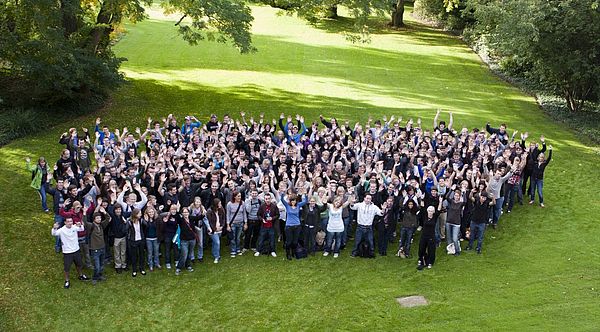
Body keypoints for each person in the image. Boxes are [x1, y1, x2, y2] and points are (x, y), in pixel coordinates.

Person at [51, 217, 89, 288]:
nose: (70, 223)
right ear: (65, 222)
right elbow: (54, 234)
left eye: (71, 221)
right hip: (67, 252)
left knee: (79, 265)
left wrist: (80, 225)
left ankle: (81, 275)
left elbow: (82, 229)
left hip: (76, 250)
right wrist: (54, 228)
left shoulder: (74, 227)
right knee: (67, 268)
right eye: (68, 221)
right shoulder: (62, 230)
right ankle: (67, 280)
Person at [84, 205, 111, 284]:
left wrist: (104, 212)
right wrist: (85, 213)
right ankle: (95, 277)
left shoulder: (101, 225)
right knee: (97, 266)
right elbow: (85, 222)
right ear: (94, 219)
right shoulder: (91, 226)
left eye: (100, 218)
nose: (99, 219)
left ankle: (100, 275)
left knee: (102, 265)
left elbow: (108, 219)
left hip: (102, 248)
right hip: (94, 249)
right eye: (97, 218)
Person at [280, 190, 309, 260]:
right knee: (289, 241)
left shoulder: (298, 205)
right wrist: (283, 193)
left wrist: (305, 194)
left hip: (297, 226)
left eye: (294, 200)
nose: (293, 202)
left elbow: (305, 201)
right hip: (289, 226)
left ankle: (293, 252)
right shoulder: (287, 205)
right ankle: (288, 254)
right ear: (290, 201)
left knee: (295, 241)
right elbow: (282, 199)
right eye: (292, 201)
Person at [417, 197, 443, 270]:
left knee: (431, 250)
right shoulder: (425, 216)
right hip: (424, 235)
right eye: (429, 210)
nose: (430, 212)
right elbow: (422, 208)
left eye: (431, 211)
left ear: (433, 212)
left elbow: (438, 209)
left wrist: (440, 202)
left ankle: (430, 262)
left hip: (431, 236)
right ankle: (421, 259)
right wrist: (422, 199)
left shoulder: (435, 217)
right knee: (421, 248)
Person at [467, 189, 495, 254]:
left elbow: (493, 203)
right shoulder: (476, 201)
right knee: (472, 235)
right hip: (474, 221)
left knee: (480, 237)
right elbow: (470, 197)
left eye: (484, 198)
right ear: (480, 196)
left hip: (482, 222)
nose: (483, 199)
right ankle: (470, 246)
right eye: (482, 197)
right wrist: (471, 192)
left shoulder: (487, 203)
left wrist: (493, 197)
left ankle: (478, 248)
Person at [226, 191, 247, 258]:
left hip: (240, 223)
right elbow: (228, 215)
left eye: (240, 196)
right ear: (234, 197)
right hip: (233, 224)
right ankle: (233, 250)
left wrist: (245, 223)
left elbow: (244, 213)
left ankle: (238, 249)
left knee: (238, 238)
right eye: (238, 196)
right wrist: (228, 225)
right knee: (233, 238)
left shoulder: (242, 203)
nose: (239, 197)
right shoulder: (229, 204)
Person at [127, 208, 146, 277]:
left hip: (141, 240)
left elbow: (146, 225)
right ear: (135, 214)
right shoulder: (129, 222)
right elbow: (126, 230)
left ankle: (142, 268)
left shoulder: (141, 220)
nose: (140, 214)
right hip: (133, 240)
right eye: (139, 213)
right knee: (134, 256)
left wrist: (145, 220)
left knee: (142, 255)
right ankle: (134, 269)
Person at [445, 190, 465, 256]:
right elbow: (447, 197)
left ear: (459, 197)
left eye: (457, 196)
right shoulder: (451, 202)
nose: (456, 197)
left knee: (455, 238)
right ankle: (450, 249)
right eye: (455, 195)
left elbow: (465, 201)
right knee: (449, 238)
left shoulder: (460, 203)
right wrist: (451, 190)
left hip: (456, 223)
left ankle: (457, 250)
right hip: (449, 222)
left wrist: (464, 193)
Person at [206, 198, 226, 263]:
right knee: (217, 242)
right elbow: (209, 222)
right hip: (212, 230)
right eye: (219, 203)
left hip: (219, 229)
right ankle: (217, 256)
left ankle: (214, 253)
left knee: (215, 243)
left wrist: (222, 226)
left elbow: (223, 218)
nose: (220, 205)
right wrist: (215, 229)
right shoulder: (209, 211)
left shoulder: (221, 209)